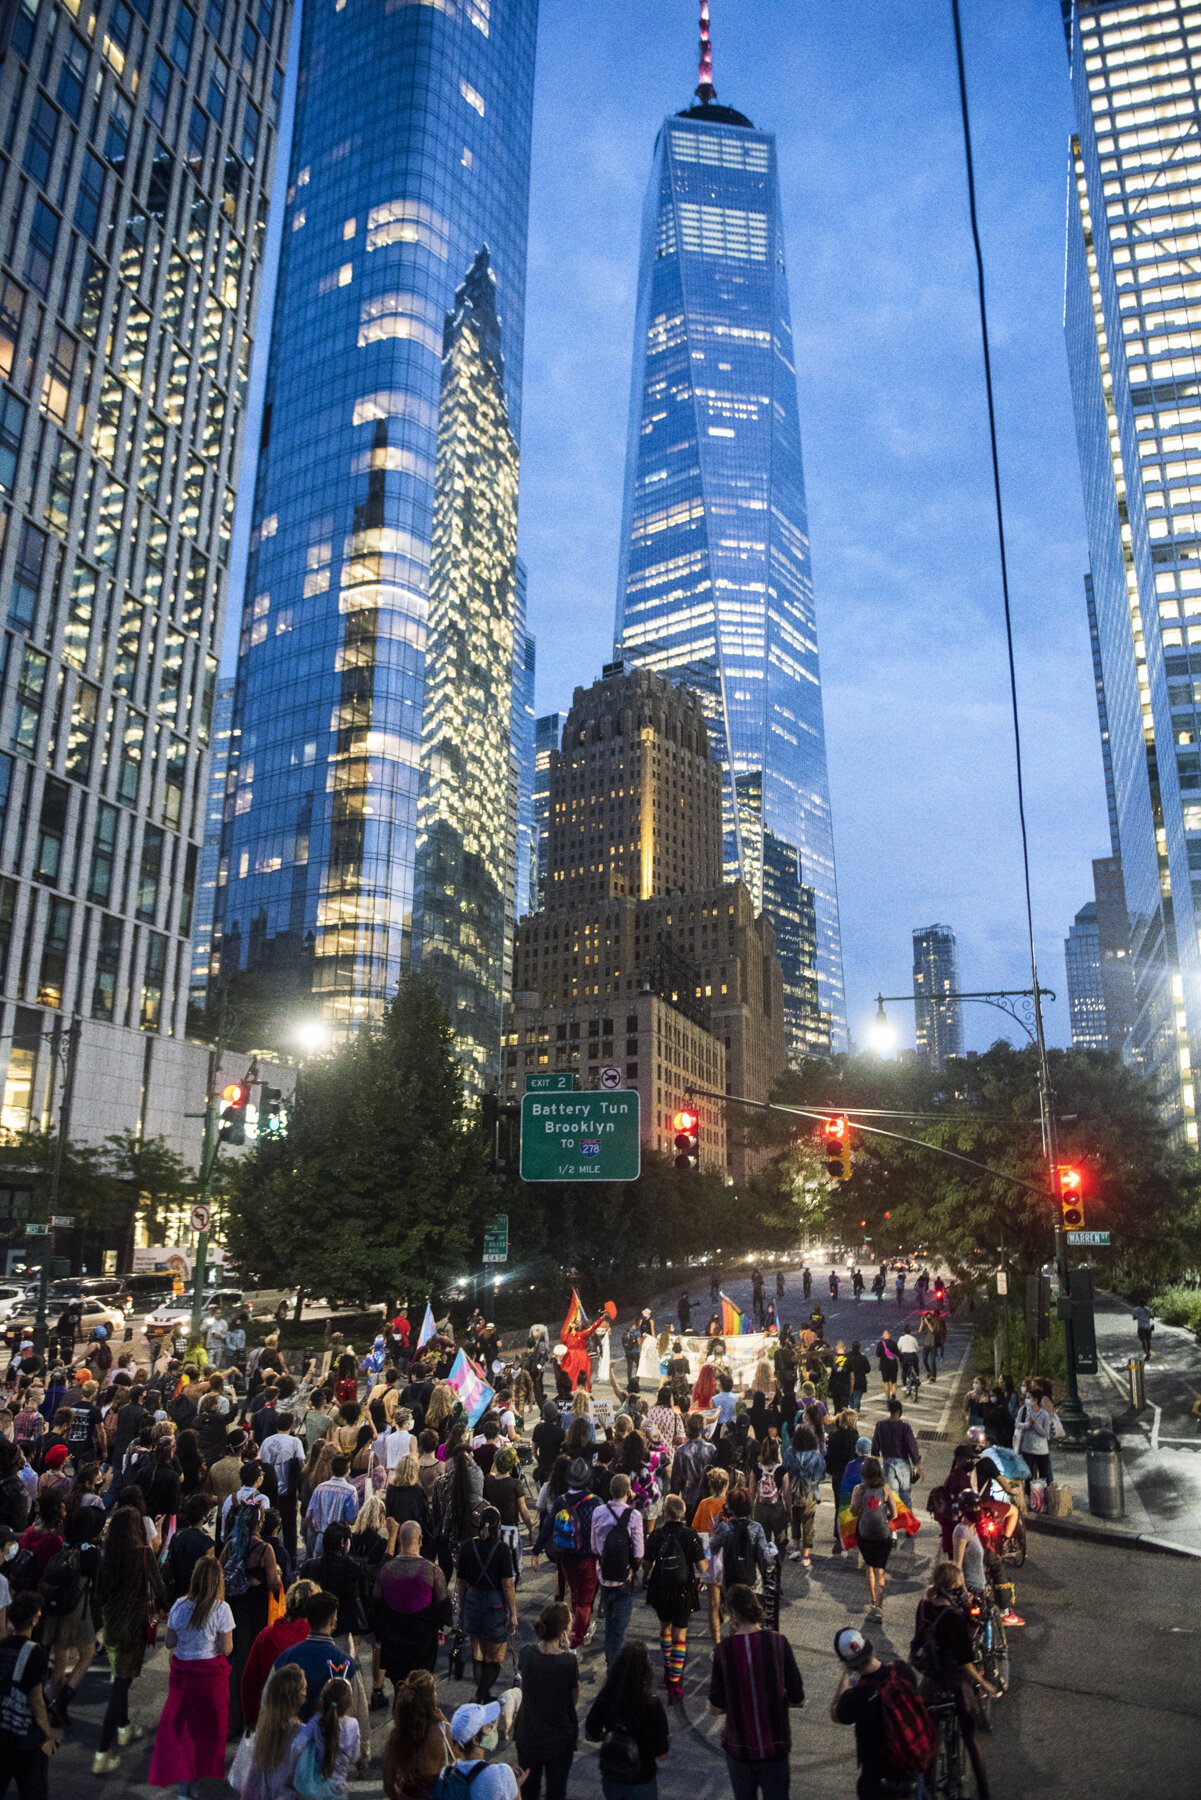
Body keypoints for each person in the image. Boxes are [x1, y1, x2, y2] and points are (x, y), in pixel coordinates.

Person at [910, 1562, 1000, 1800]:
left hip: (930, 1680)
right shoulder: (953, 1617)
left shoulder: (922, 1607)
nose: (963, 1591)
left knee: (929, 1737)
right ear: (952, 1588)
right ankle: (983, 1793)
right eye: (960, 1587)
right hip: (954, 1681)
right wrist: (985, 1684)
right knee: (970, 1739)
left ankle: (927, 1787)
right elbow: (965, 1662)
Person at [709, 1584, 805, 1800]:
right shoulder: (779, 1642)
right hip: (775, 1745)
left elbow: (716, 1707)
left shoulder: (723, 1650)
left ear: (733, 1613)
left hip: (739, 1748)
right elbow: (798, 1698)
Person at [148, 1556, 234, 1794]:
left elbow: (170, 1643)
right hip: (210, 1678)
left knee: (183, 1730)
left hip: (183, 1675)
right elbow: (226, 1648)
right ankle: (192, 1781)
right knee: (206, 1732)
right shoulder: (222, 1609)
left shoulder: (179, 1605)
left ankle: (186, 1784)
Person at [93, 1503, 168, 1775]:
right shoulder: (144, 1554)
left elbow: (99, 1595)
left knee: (120, 1676)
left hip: (112, 1628)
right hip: (133, 1628)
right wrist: (166, 1607)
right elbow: (160, 1587)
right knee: (121, 1685)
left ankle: (124, 1728)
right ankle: (102, 1751)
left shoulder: (107, 1555)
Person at [829, 1626, 930, 1800]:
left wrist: (845, 1676)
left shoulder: (857, 1697)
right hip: (910, 1766)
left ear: (848, 1663)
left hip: (877, 1780)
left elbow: (835, 1713)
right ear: (870, 1647)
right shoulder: (902, 1671)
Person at [39, 1506, 104, 1726]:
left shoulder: (64, 1545)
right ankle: (63, 1700)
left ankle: (57, 1704)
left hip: (54, 1608)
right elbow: (96, 1585)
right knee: (87, 1655)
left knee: (59, 1659)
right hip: (77, 1610)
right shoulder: (92, 1553)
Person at [223, 1500, 283, 1737]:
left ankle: (233, 1720)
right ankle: (253, 1720)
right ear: (260, 1522)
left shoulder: (230, 1545)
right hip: (256, 1612)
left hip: (234, 1610)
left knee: (235, 1665)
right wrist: (276, 1573)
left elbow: (220, 1573)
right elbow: (273, 1584)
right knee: (253, 1667)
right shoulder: (265, 1550)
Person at [585, 1640, 670, 1800]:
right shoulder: (652, 1703)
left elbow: (590, 1733)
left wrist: (611, 1736)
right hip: (641, 1778)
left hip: (613, 1774)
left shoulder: (608, 1694)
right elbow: (662, 1752)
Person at [374, 1519, 452, 1691]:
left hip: (394, 1641)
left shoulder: (386, 1570)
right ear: (421, 1539)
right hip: (422, 1643)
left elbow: (377, 1604)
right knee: (421, 1687)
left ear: (400, 1540)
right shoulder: (432, 1571)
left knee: (400, 1687)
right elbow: (445, 1609)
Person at [643, 1493, 705, 1702]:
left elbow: (646, 1563)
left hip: (660, 1588)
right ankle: (675, 1681)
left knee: (665, 1629)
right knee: (680, 1636)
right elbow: (702, 1567)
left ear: (665, 1513)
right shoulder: (690, 1535)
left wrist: (644, 1571)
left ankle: (668, 1666)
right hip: (683, 1589)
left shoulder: (657, 1535)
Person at [514, 1602, 578, 1800]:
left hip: (528, 1734)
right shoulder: (568, 1662)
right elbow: (573, 1700)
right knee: (556, 1791)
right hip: (559, 1738)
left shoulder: (526, 1653)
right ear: (563, 1632)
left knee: (529, 1789)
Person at [456, 1505, 516, 1705]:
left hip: (472, 1600)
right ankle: (479, 1696)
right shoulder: (501, 1549)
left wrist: (461, 1607)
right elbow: (507, 1585)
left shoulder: (467, 1546)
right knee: (496, 1656)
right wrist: (513, 1614)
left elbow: (461, 1581)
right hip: (494, 1604)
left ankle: (483, 1693)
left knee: (478, 1651)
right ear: (498, 1526)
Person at [241, 1578, 319, 1732]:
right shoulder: (315, 1635)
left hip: (270, 1719)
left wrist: (251, 1720)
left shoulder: (266, 1635)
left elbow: (249, 1682)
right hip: (307, 1723)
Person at [0, 1591, 57, 1798]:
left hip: (2, 1729)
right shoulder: (34, 1651)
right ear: (35, 1619)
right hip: (23, 1734)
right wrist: (47, 1730)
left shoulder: (2, 1646)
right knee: (32, 1789)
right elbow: (35, 1698)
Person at [590, 1473, 643, 1668]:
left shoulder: (598, 1512)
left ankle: (609, 1657)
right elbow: (638, 1552)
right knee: (619, 1626)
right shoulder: (634, 1516)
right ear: (628, 1492)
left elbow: (594, 1547)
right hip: (624, 1577)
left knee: (609, 1621)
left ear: (610, 1491)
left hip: (603, 1574)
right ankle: (615, 1664)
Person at [239, 1663, 306, 1800]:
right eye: (304, 1689)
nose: (306, 1692)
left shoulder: (262, 1736)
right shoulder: (303, 1735)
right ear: (295, 1696)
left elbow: (252, 1786)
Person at [440, 1700, 521, 1800]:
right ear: (475, 1739)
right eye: (488, 1725)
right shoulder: (500, 1774)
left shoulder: (445, 1775)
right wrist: (515, 1786)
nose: (492, 1726)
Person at [849, 1455, 897, 1625]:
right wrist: (884, 1516)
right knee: (880, 1571)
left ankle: (873, 1601)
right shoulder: (885, 1490)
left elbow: (854, 1512)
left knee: (869, 1568)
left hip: (865, 1534)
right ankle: (879, 1607)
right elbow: (895, 1514)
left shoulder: (858, 1489)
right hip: (883, 1535)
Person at [293, 1675, 360, 1793]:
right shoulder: (353, 1724)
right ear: (348, 1702)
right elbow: (355, 1757)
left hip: (317, 1788)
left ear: (323, 1699)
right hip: (339, 1788)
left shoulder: (317, 1721)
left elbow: (297, 1746)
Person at [870, 1400, 922, 1511]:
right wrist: (917, 1463)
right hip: (903, 1463)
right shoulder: (905, 1427)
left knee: (892, 1495)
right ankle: (908, 1523)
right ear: (899, 1411)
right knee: (905, 1495)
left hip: (888, 1462)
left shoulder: (880, 1425)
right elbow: (911, 1445)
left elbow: (875, 1446)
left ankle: (893, 1523)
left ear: (889, 1410)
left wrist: (874, 1463)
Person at [895, 1327, 920, 1398]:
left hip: (905, 1356)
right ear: (910, 1332)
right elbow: (917, 1348)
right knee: (916, 1367)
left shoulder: (901, 1338)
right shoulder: (913, 1338)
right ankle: (917, 1377)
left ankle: (904, 1385)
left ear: (904, 1332)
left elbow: (898, 1348)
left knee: (904, 1370)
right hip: (913, 1355)